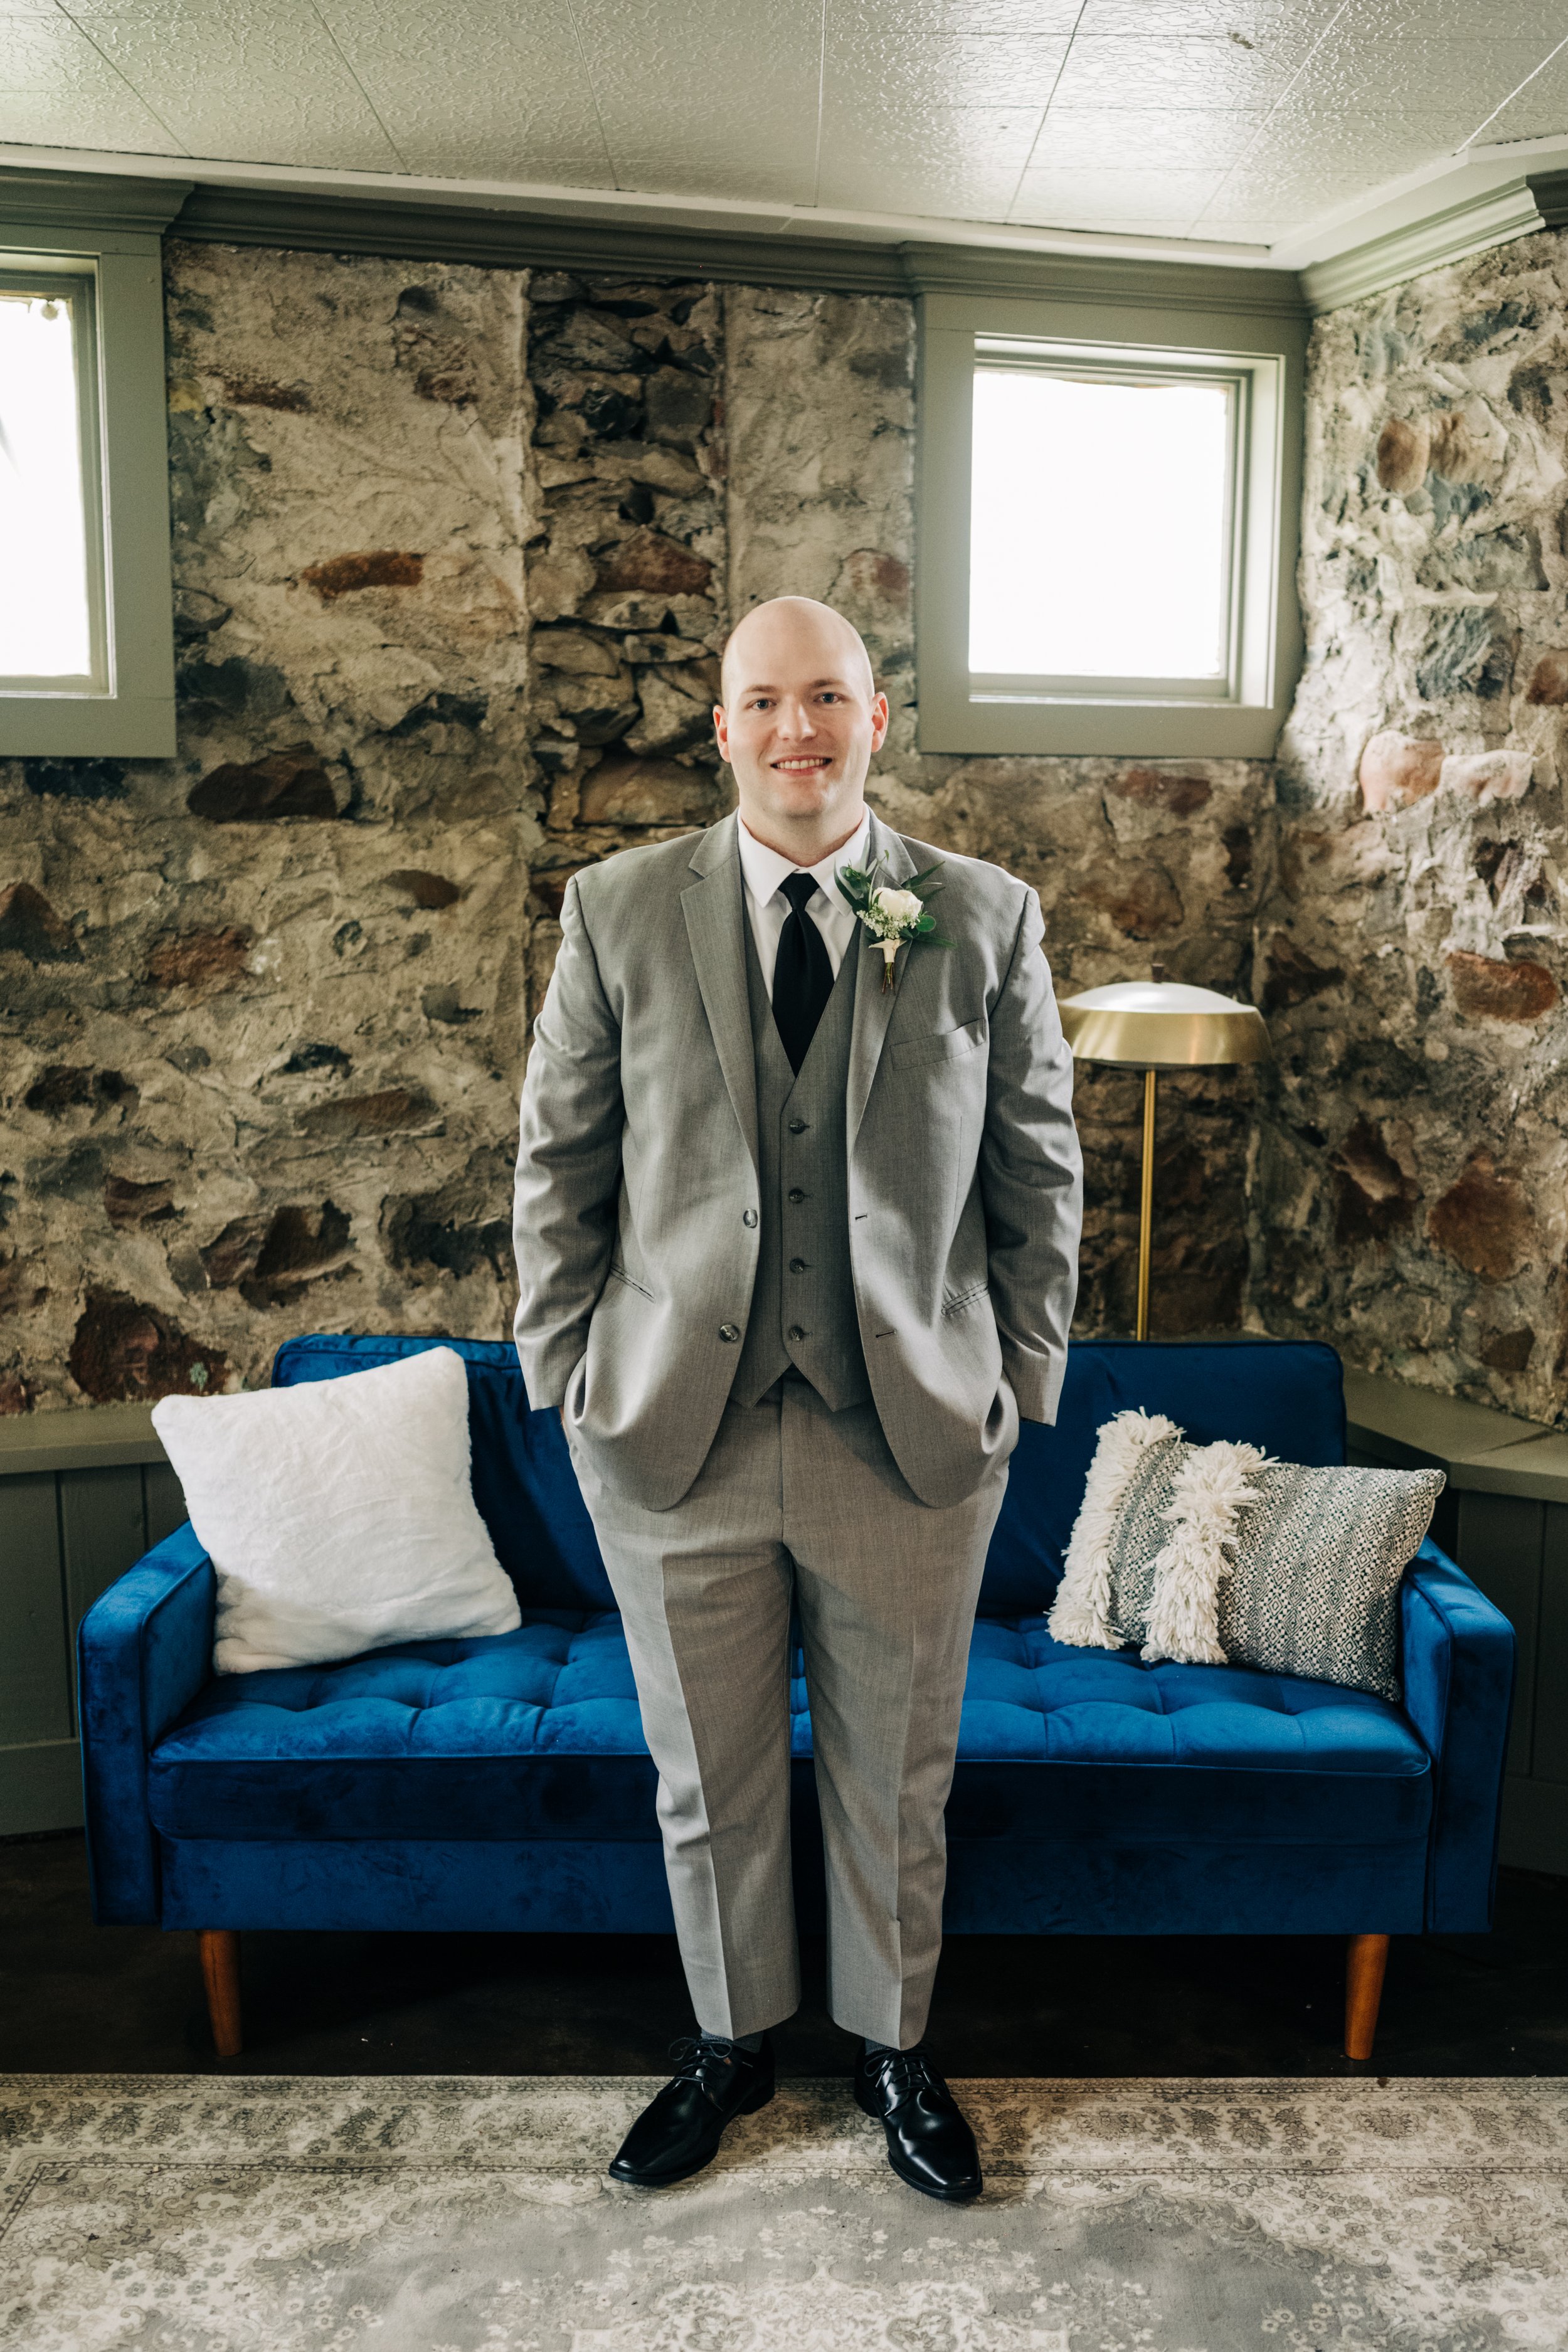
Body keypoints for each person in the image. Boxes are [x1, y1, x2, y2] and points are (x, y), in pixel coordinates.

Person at [512, 594, 1082, 2201]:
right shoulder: (617, 909)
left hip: (906, 1434)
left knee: (898, 1770)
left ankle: (895, 2050)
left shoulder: (979, 915)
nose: (795, 733)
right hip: (668, 1435)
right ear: (721, 727)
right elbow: (558, 1163)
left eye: (825, 698)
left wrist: (1017, 1387)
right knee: (706, 1775)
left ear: (874, 719)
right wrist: (560, 1373)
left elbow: (1038, 1165)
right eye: (762, 702)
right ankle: (728, 2039)